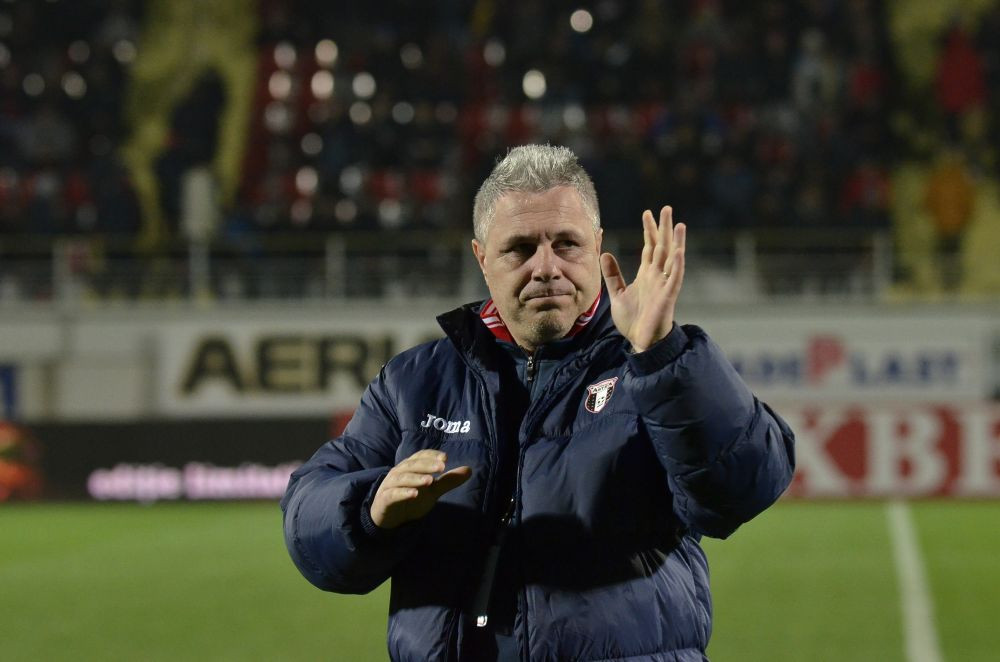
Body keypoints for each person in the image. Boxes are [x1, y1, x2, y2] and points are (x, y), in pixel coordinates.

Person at [281, 144, 796, 661]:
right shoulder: (414, 382)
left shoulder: (655, 365)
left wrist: (662, 353)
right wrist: (372, 509)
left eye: (566, 244)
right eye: (520, 248)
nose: (546, 266)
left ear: (597, 246)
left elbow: (745, 487)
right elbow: (308, 517)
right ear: (482, 258)